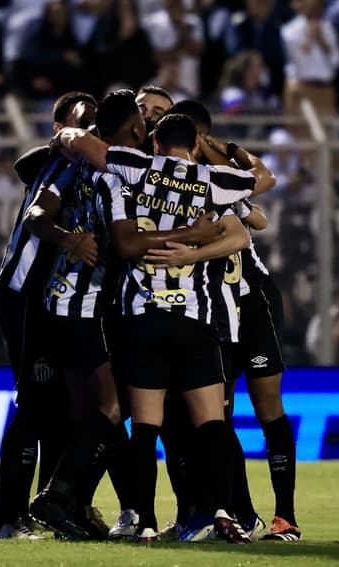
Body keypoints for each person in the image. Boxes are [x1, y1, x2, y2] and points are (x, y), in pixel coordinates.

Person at [52, 112, 274, 543]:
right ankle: (220, 513)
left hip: (141, 313)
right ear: (192, 146)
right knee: (212, 422)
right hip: (195, 315)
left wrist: (68, 134)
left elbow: (88, 148)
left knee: (147, 426)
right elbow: (263, 178)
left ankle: (146, 522)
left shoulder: (133, 169)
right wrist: (226, 152)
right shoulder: (214, 180)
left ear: (154, 144)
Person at [0, 92, 96, 540]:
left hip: (48, 299)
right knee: (34, 402)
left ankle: (51, 506)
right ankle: (6, 518)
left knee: (58, 406)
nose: (88, 131)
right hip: (26, 294)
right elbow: (34, 212)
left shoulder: (80, 165)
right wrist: (71, 238)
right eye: (80, 123)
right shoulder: (61, 164)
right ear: (60, 131)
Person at [281, 0, 339, 115]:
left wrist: (322, 41)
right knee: (299, 131)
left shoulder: (328, 28)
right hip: (301, 88)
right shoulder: (290, 30)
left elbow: (337, 61)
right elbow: (299, 60)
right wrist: (310, 38)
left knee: (324, 132)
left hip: (325, 89)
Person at [224, 0, 285, 99]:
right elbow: (234, 51)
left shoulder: (275, 25)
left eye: (264, 4)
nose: (261, 7)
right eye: (258, 3)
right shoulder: (238, 22)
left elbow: (278, 55)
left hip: (269, 87)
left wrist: (261, 64)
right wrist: (254, 61)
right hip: (240, 80)